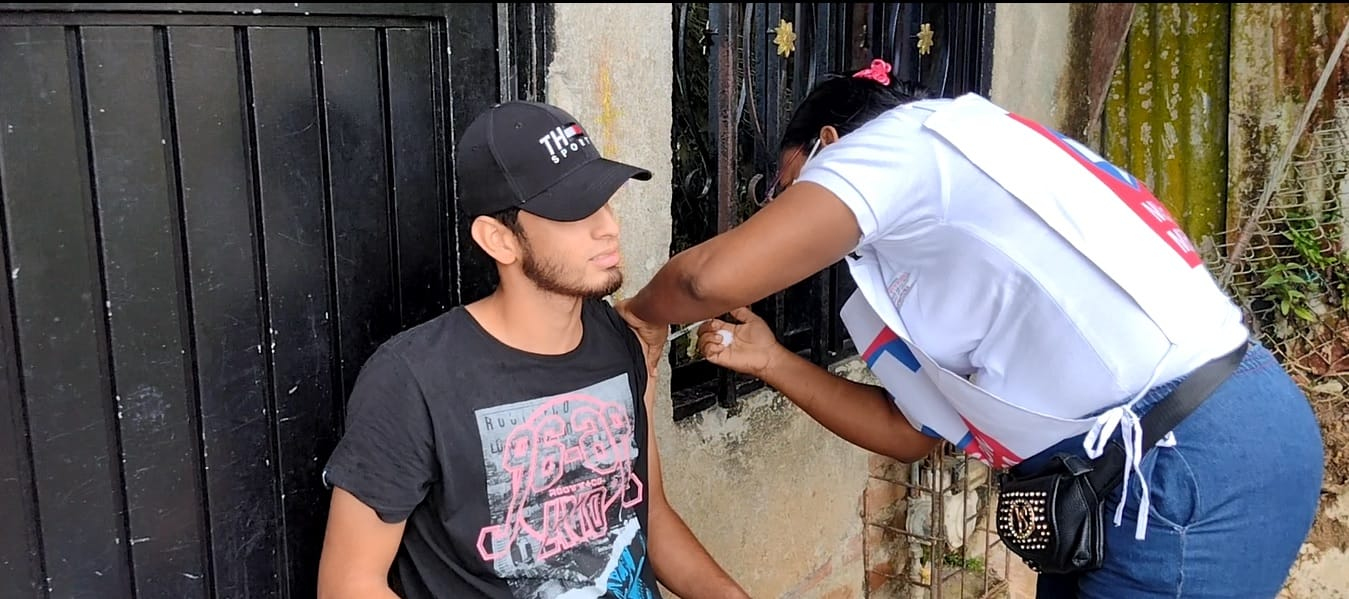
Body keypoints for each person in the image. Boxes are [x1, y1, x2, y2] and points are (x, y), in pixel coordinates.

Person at [616, 59, 1324, 598]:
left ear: (829, 144)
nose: (779, 207)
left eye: (783, 184)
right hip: (1212, 444)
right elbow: (912, 432)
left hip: (1174, 465)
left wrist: (640, 318)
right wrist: (771, 360)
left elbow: (709, 280)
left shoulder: (910, 141)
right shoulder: (928, 240)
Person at [317, 100, 747, 599]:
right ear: (500, 241)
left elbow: (646, 514)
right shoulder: (413, 378)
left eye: (605, 200)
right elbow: (349, 584)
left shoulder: (616, 341)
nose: (608, 226)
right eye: (573, 211)